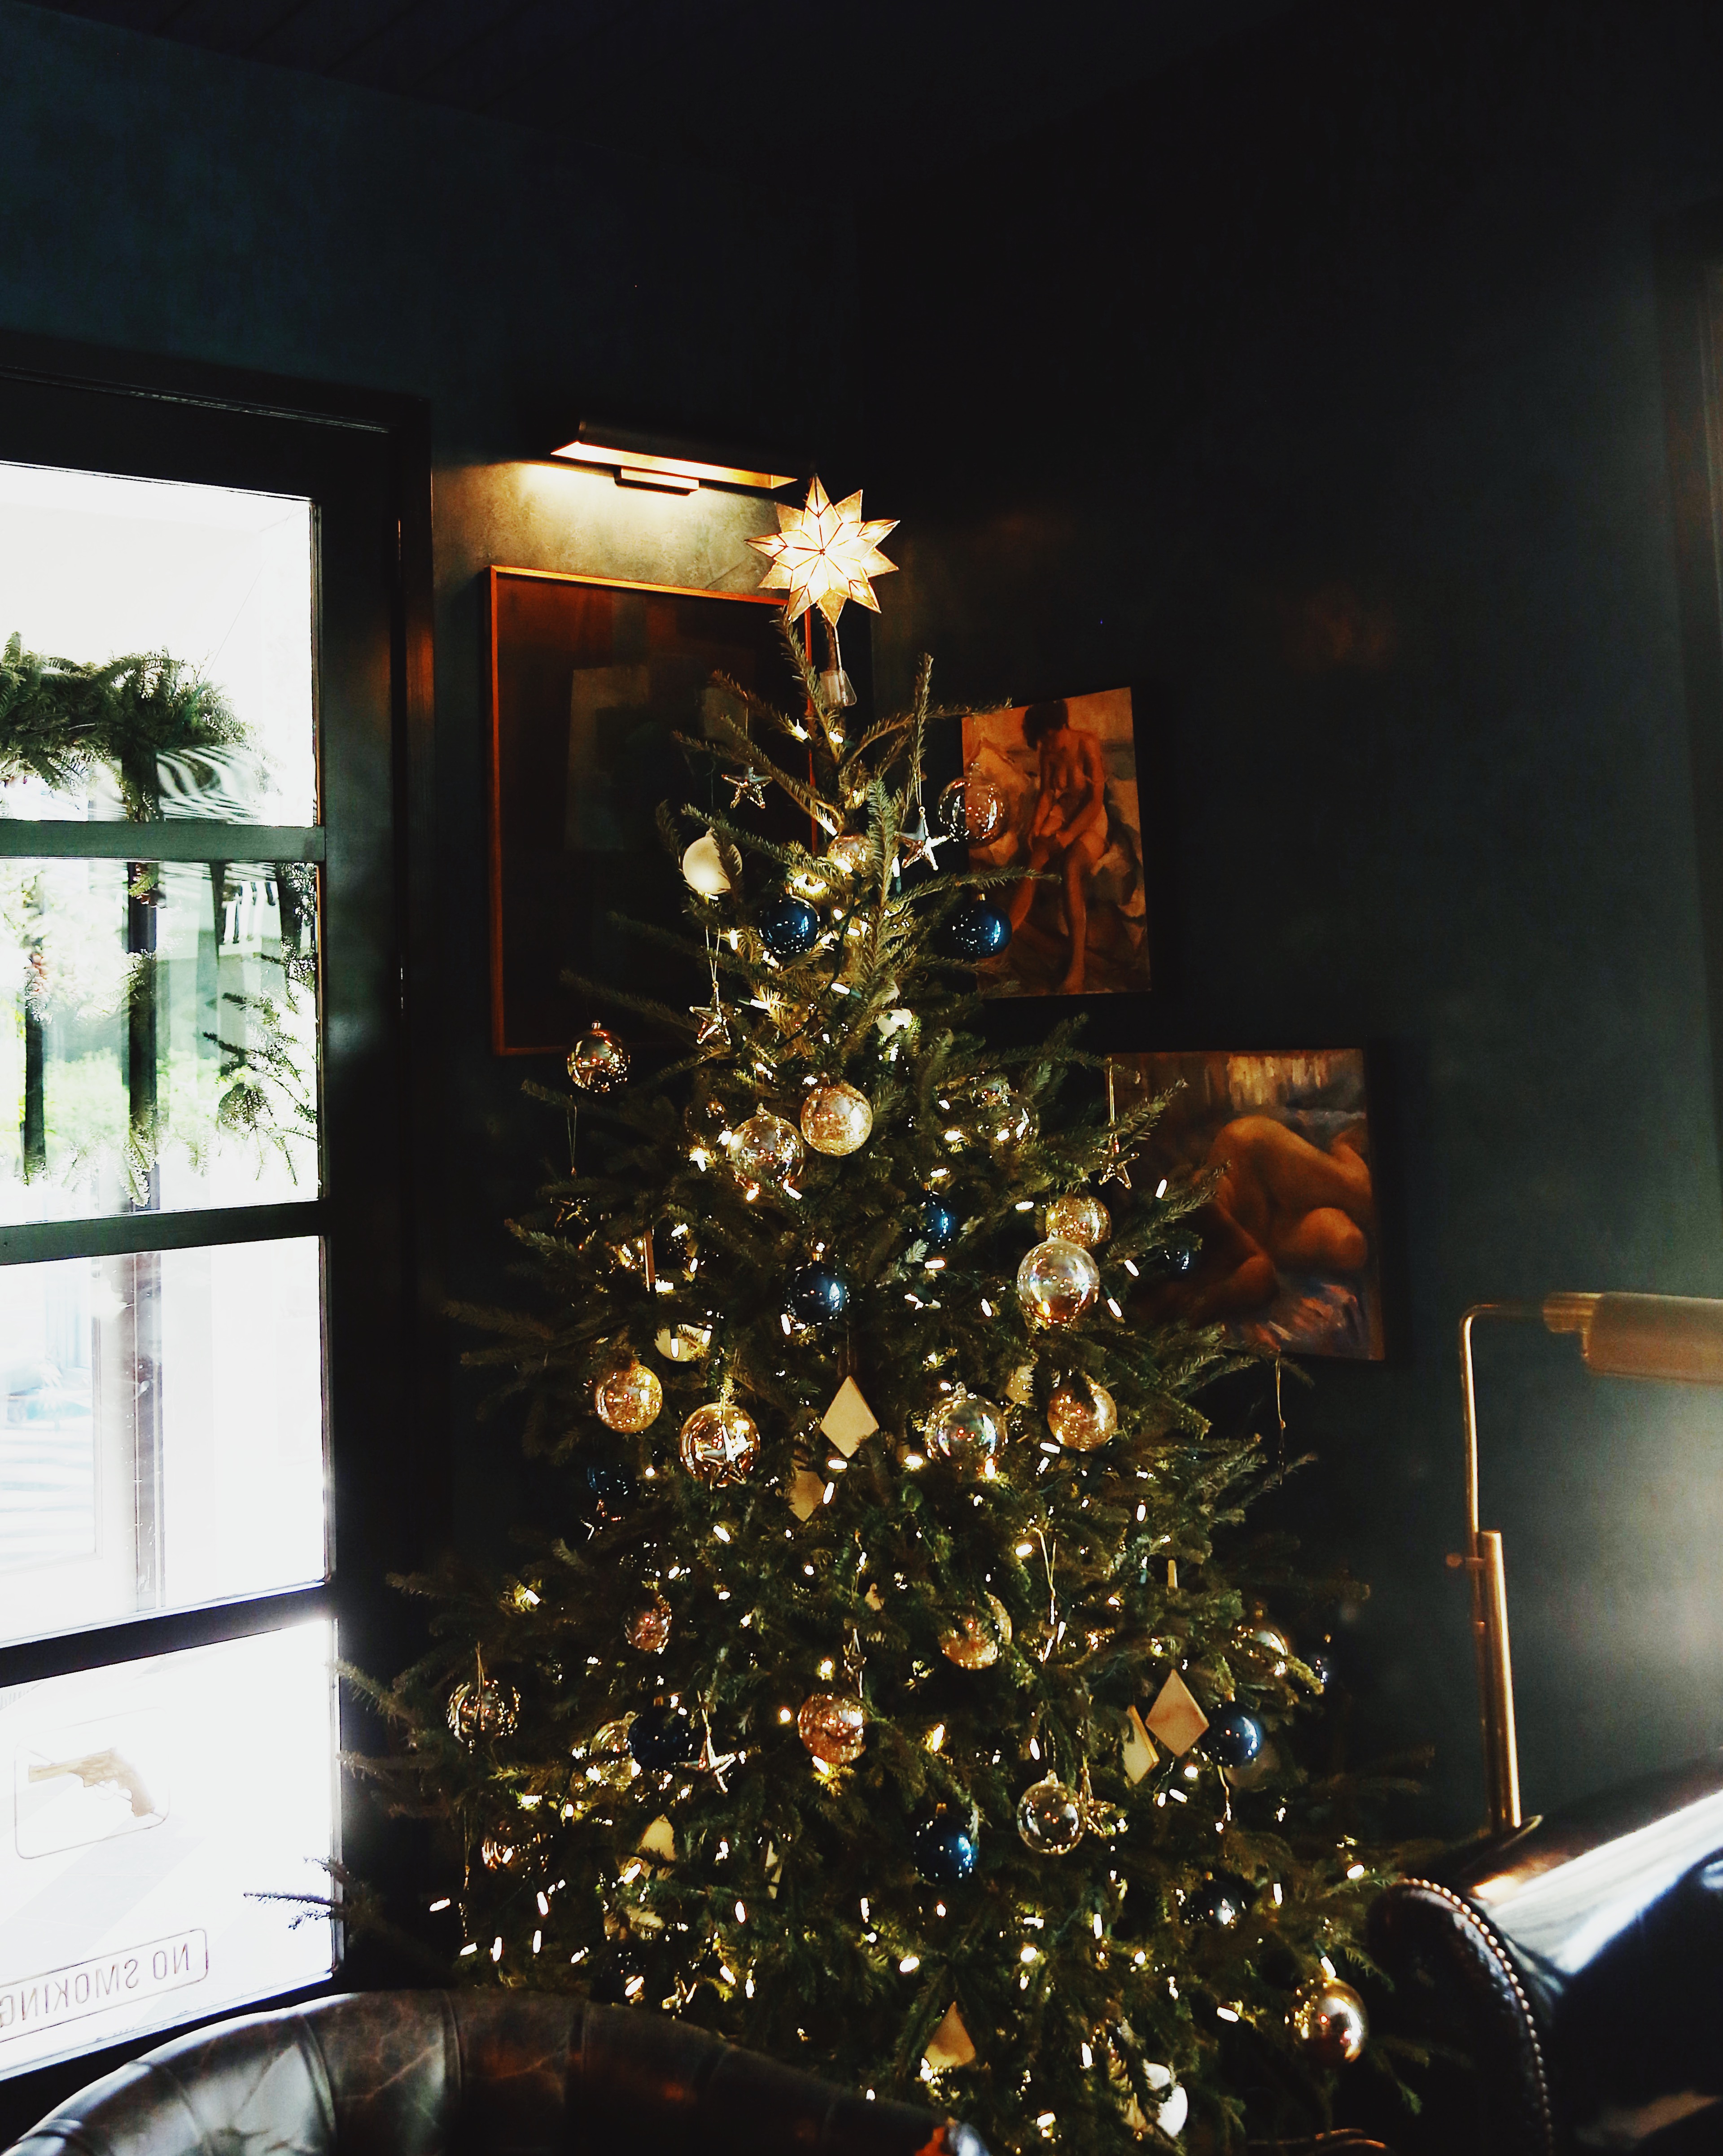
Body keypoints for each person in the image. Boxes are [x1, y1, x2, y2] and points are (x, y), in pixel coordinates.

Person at [1006, 698, 1111, 994]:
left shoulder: (1087, 744)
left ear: (1063, 726)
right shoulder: (1048, 751)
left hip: (1090, 819)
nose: (1047, 744)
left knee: (1071, 865)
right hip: (1063, 815)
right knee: (1037, 853)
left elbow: (1095, 802)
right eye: (1042, 739)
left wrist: (1065, 838)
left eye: (1050, 737)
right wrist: (1036, 826)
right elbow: (1048, 794)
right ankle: (1007, 933)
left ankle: (1077, 967)